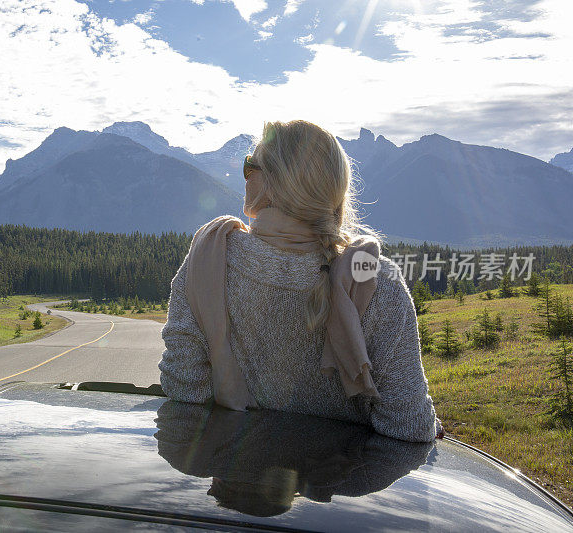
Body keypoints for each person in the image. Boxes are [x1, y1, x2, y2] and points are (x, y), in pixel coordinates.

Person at [158, 119, 443, 443]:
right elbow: (409, 428)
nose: (245, 174)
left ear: (273, 185)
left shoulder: (207, 260)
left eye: (250, 166)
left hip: (236, 482)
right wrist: (428, 425)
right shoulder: (380, 282)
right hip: (342, 488)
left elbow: (184, 390)